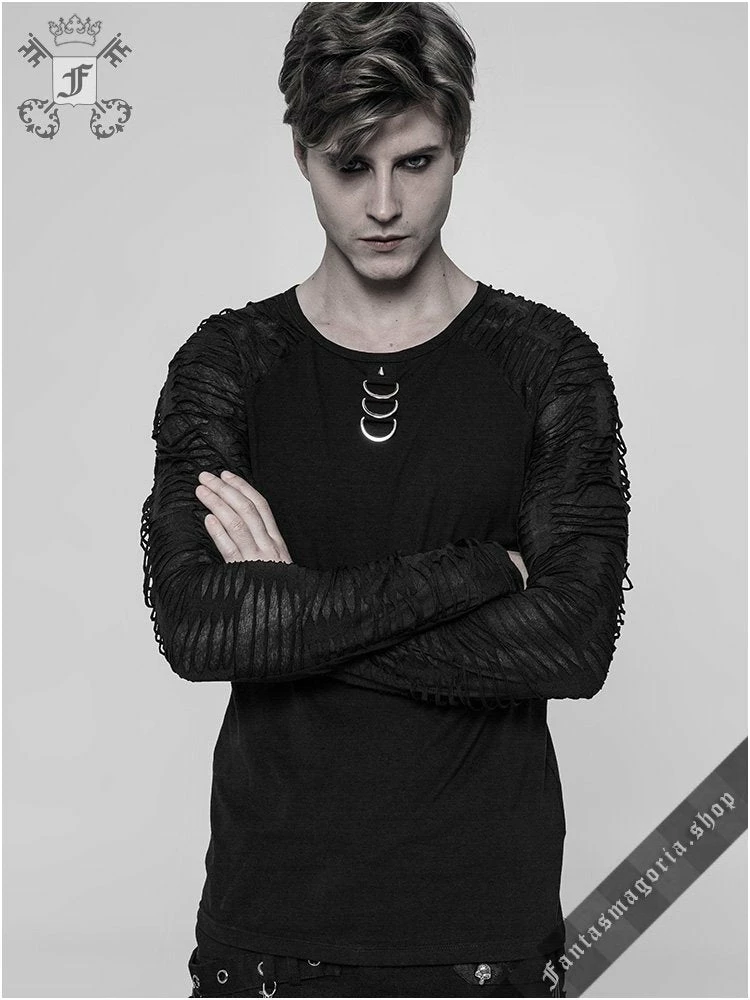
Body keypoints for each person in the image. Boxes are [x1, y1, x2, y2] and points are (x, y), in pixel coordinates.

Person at [139, 3, 632, 997]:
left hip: (486, 924)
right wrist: (476, 573)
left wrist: (288, 613)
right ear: (301, 156)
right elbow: (194, 625)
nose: (384, 205)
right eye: (348, 166)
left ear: (459, 147)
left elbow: (574, 642)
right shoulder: (228, 364)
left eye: (415, 162)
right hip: (269, 924)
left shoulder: (548, 363)